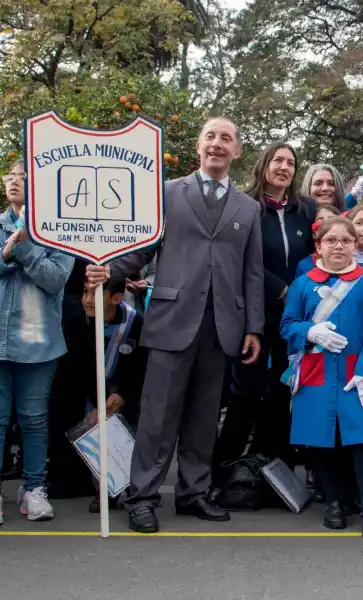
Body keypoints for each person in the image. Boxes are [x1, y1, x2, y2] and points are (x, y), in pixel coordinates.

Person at [85, 117, 265, 534]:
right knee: (158, 414)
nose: (217, 144)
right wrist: (106, 271)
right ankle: (143, 496)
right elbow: (140, 248)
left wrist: (253, 327)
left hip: (223, 326)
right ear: (199, 146)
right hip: (170, 319)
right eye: (211, 137)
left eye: (226, 139)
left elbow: (251, 273)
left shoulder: (249, 208)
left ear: (237, 151)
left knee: (204, 416)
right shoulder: (166, 193)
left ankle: (193, 492)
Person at [213, 142, 317, 490]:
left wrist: (300, 293)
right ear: (265, 165)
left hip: (296, 317)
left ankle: (274, 473)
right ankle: (223, 469)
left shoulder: (307, 210)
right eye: (278, 160)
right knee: (245, 390)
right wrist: (281, 289)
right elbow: (242, 257)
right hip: (255, 315)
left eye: (290, 162)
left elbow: (320, 253)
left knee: (284, 390)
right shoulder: (246, 206)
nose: (284, 167)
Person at [280, 216, 363, 539]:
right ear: (318, 246)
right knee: (322, 439)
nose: (338, 246)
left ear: (356, 246)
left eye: (345, 241)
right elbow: (287, 325)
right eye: (331, 241)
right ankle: (334, 504)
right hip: (316, 370)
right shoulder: (302, 284)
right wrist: (309, 330)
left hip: (357, 374)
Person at [0, 159, 75, 524]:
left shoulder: (58, 229)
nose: (14, 182)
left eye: (22, 177)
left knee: (33, 419)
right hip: (0, 342)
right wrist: (12, 252)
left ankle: (34, 489)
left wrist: (22, 249)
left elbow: (55, 278)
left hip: (40, 342)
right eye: (9, 176)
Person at [64, 278, 146, 513]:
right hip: (93, 394)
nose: (87, 300)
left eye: (95, 294)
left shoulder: (136, 323)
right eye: (84, 292)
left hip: (126, 395)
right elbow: (77, 369)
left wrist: (123, 394)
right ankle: (106, 487)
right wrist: (97, 402)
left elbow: (142, 366)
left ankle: (135, 484)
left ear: (116, 298)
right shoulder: (79, 322)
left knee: (134, 428)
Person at [295, 204, 342, 278]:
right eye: (320, 219)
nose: (326, 222)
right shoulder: (304, 265)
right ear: (314, 234)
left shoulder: (352, 261)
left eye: (331, 219)